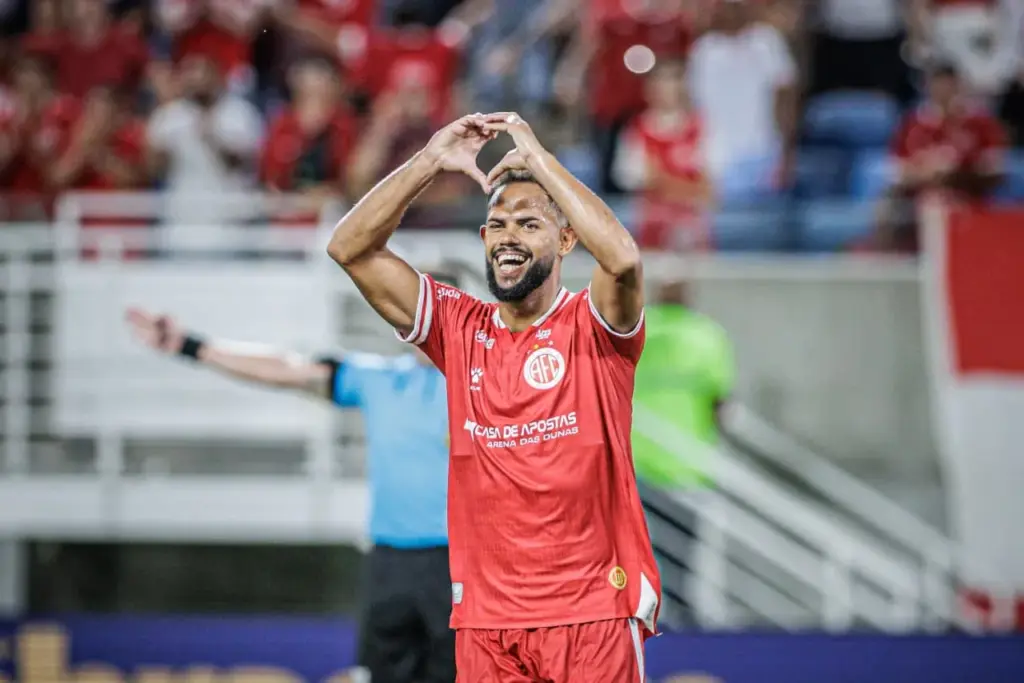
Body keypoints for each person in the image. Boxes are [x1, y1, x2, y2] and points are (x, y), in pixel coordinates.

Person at [327, 111, 661, 682]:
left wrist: (538, 160)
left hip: (591, 612)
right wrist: (430, 159)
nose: (509, 236)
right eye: (498, 224)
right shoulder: (460, 330)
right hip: (485, 620)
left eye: (529, 224)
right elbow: (349, 248)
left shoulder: (594, 324)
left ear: (564, 239)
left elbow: (623, 258)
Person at [123, 303, 457, 683]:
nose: (420, 323)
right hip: (389, 564)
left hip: (462, 565)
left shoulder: (482, 381)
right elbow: (285, 368)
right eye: (411, 311)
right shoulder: (377, 378)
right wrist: (190, 345)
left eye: (432, 312)